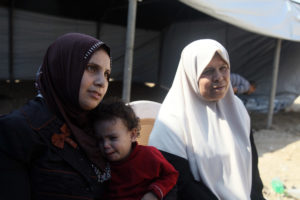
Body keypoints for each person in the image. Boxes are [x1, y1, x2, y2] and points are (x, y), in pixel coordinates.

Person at [148, 39, 265, 200]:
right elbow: (180, 183)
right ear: (191, 75)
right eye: (208, 70)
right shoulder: (172, 120)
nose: (219, 77)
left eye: (223, 68)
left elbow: (252, 169)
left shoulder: (236, 109)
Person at [0, 33, 112, 200]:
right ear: (64, 67)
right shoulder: (17, 129)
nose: (101, 82)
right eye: (91, 68)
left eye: (107, 74)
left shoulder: (100, 129)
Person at [92, 98, 179, 200]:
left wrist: (154, 193)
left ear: (132, 135)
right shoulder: (100, 165)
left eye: (112, 138)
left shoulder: (148, 155)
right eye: (100, 140)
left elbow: (171, 175)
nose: (105, 145)